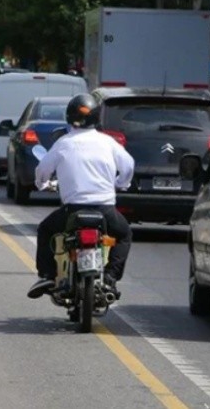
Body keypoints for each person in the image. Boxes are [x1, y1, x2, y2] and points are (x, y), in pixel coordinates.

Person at [27, 93, 135, 299]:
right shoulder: (108, 142)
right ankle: (111, 277)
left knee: (46, 229)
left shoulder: (64, 143)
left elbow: (43, 169)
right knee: (124, 234)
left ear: (69, 117)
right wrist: (121, 184)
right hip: (105, 210)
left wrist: (42, 184)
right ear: (96, 117)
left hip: (73, 210)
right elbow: (128, 165)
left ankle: (48, 275)